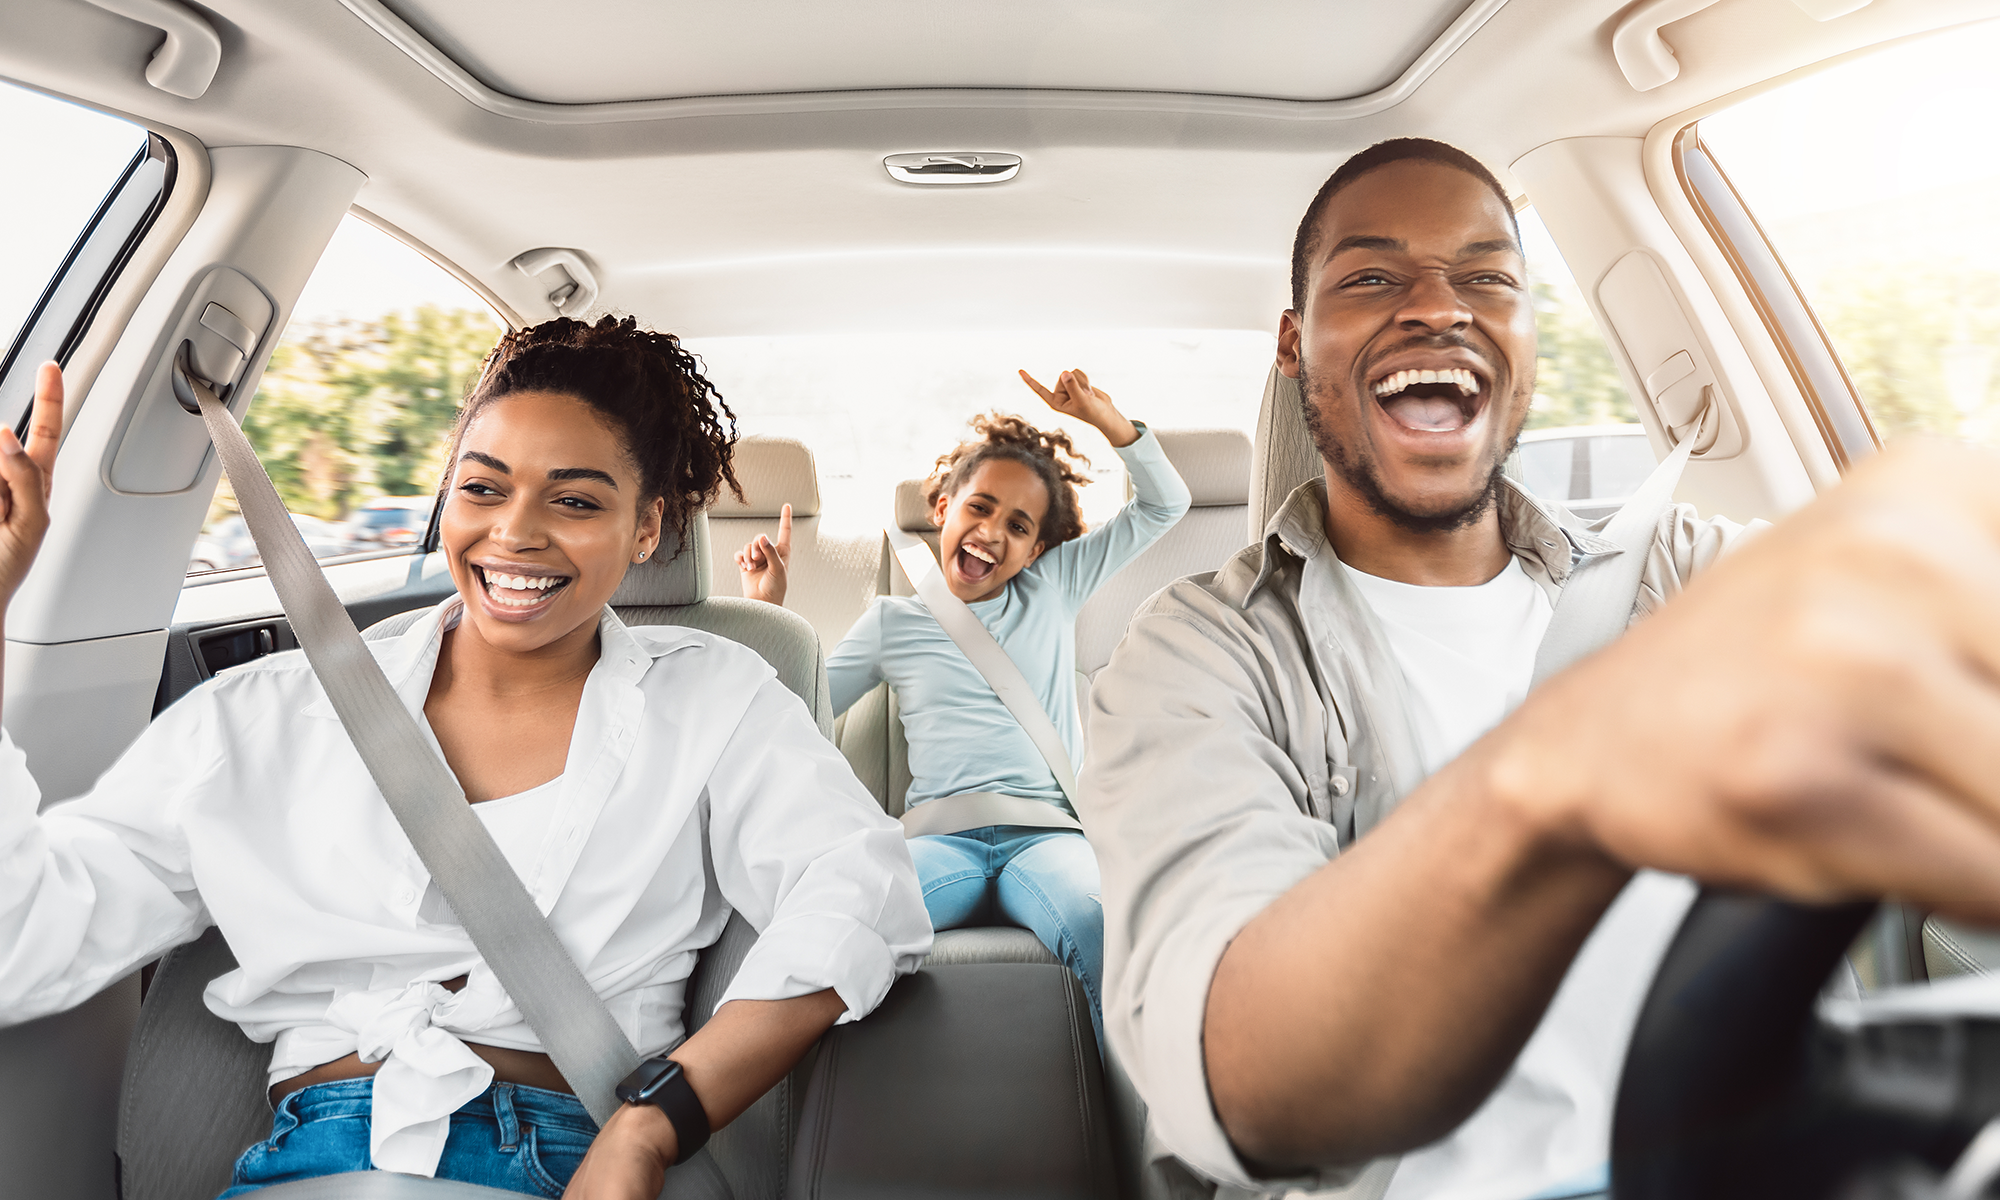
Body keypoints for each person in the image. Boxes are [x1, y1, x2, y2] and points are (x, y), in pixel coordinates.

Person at [1081, 136, 2000, 1200]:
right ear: (1293, 344)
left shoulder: (1685, 573)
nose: (1437, 307)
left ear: (1523, 329)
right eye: (1372, 277)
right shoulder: (1197, 653)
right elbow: (1242, 1081)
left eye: (1486, 278)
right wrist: (1559, 777)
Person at [0, 317, 932, 1200]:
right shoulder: (270, 713)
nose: (514, 532)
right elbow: (25, 943)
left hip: (573, 1153)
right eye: (483, 488)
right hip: (309, 1158)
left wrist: (653, 1125)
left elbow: (861, 887)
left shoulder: (715, 697)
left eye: (574, 500)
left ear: (647, 528)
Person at [737, 369, 1190, 1044]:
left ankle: (1156, 1127)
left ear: (1038, 549)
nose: (991, 533)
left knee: (1104, 923)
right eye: (979, 508)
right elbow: (804, 716)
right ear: (943, 506)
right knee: (841, 921)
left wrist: (1108, 421)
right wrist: (763, 611)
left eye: (1018, 525)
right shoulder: (894, 619)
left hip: (1049, 839)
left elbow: (1164, 506)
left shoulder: (1054, 587)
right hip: (937, 843)